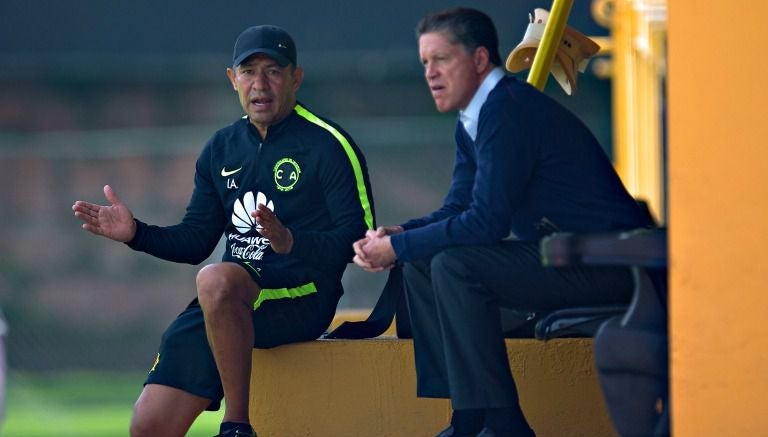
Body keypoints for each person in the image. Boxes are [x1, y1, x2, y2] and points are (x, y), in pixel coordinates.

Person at [353, 7, 652, 437]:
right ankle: (469, 415)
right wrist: (402, 236)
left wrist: (397, 248)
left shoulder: (507, 109)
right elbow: (457, 209)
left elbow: (486, 223)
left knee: (454, 266)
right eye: (424, 63)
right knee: (421, 262)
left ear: (478, 60)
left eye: (442, 60)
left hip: (608, 262)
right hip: (561, 258)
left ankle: (501, 423)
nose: (430, 74)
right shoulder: (473, 119)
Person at [73, 24, 374, 437]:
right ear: (233, 79)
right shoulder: (221, 147)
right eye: (249, 72)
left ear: (295, 78)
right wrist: (136, 234)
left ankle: (236, 426)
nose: (260, 84)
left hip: (301, 298)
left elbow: (361, 242)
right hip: (229, 298)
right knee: (148, 425)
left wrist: (291, 242)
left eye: (273, 71)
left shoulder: (328, 145)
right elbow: (196, 239)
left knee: (215, 278)